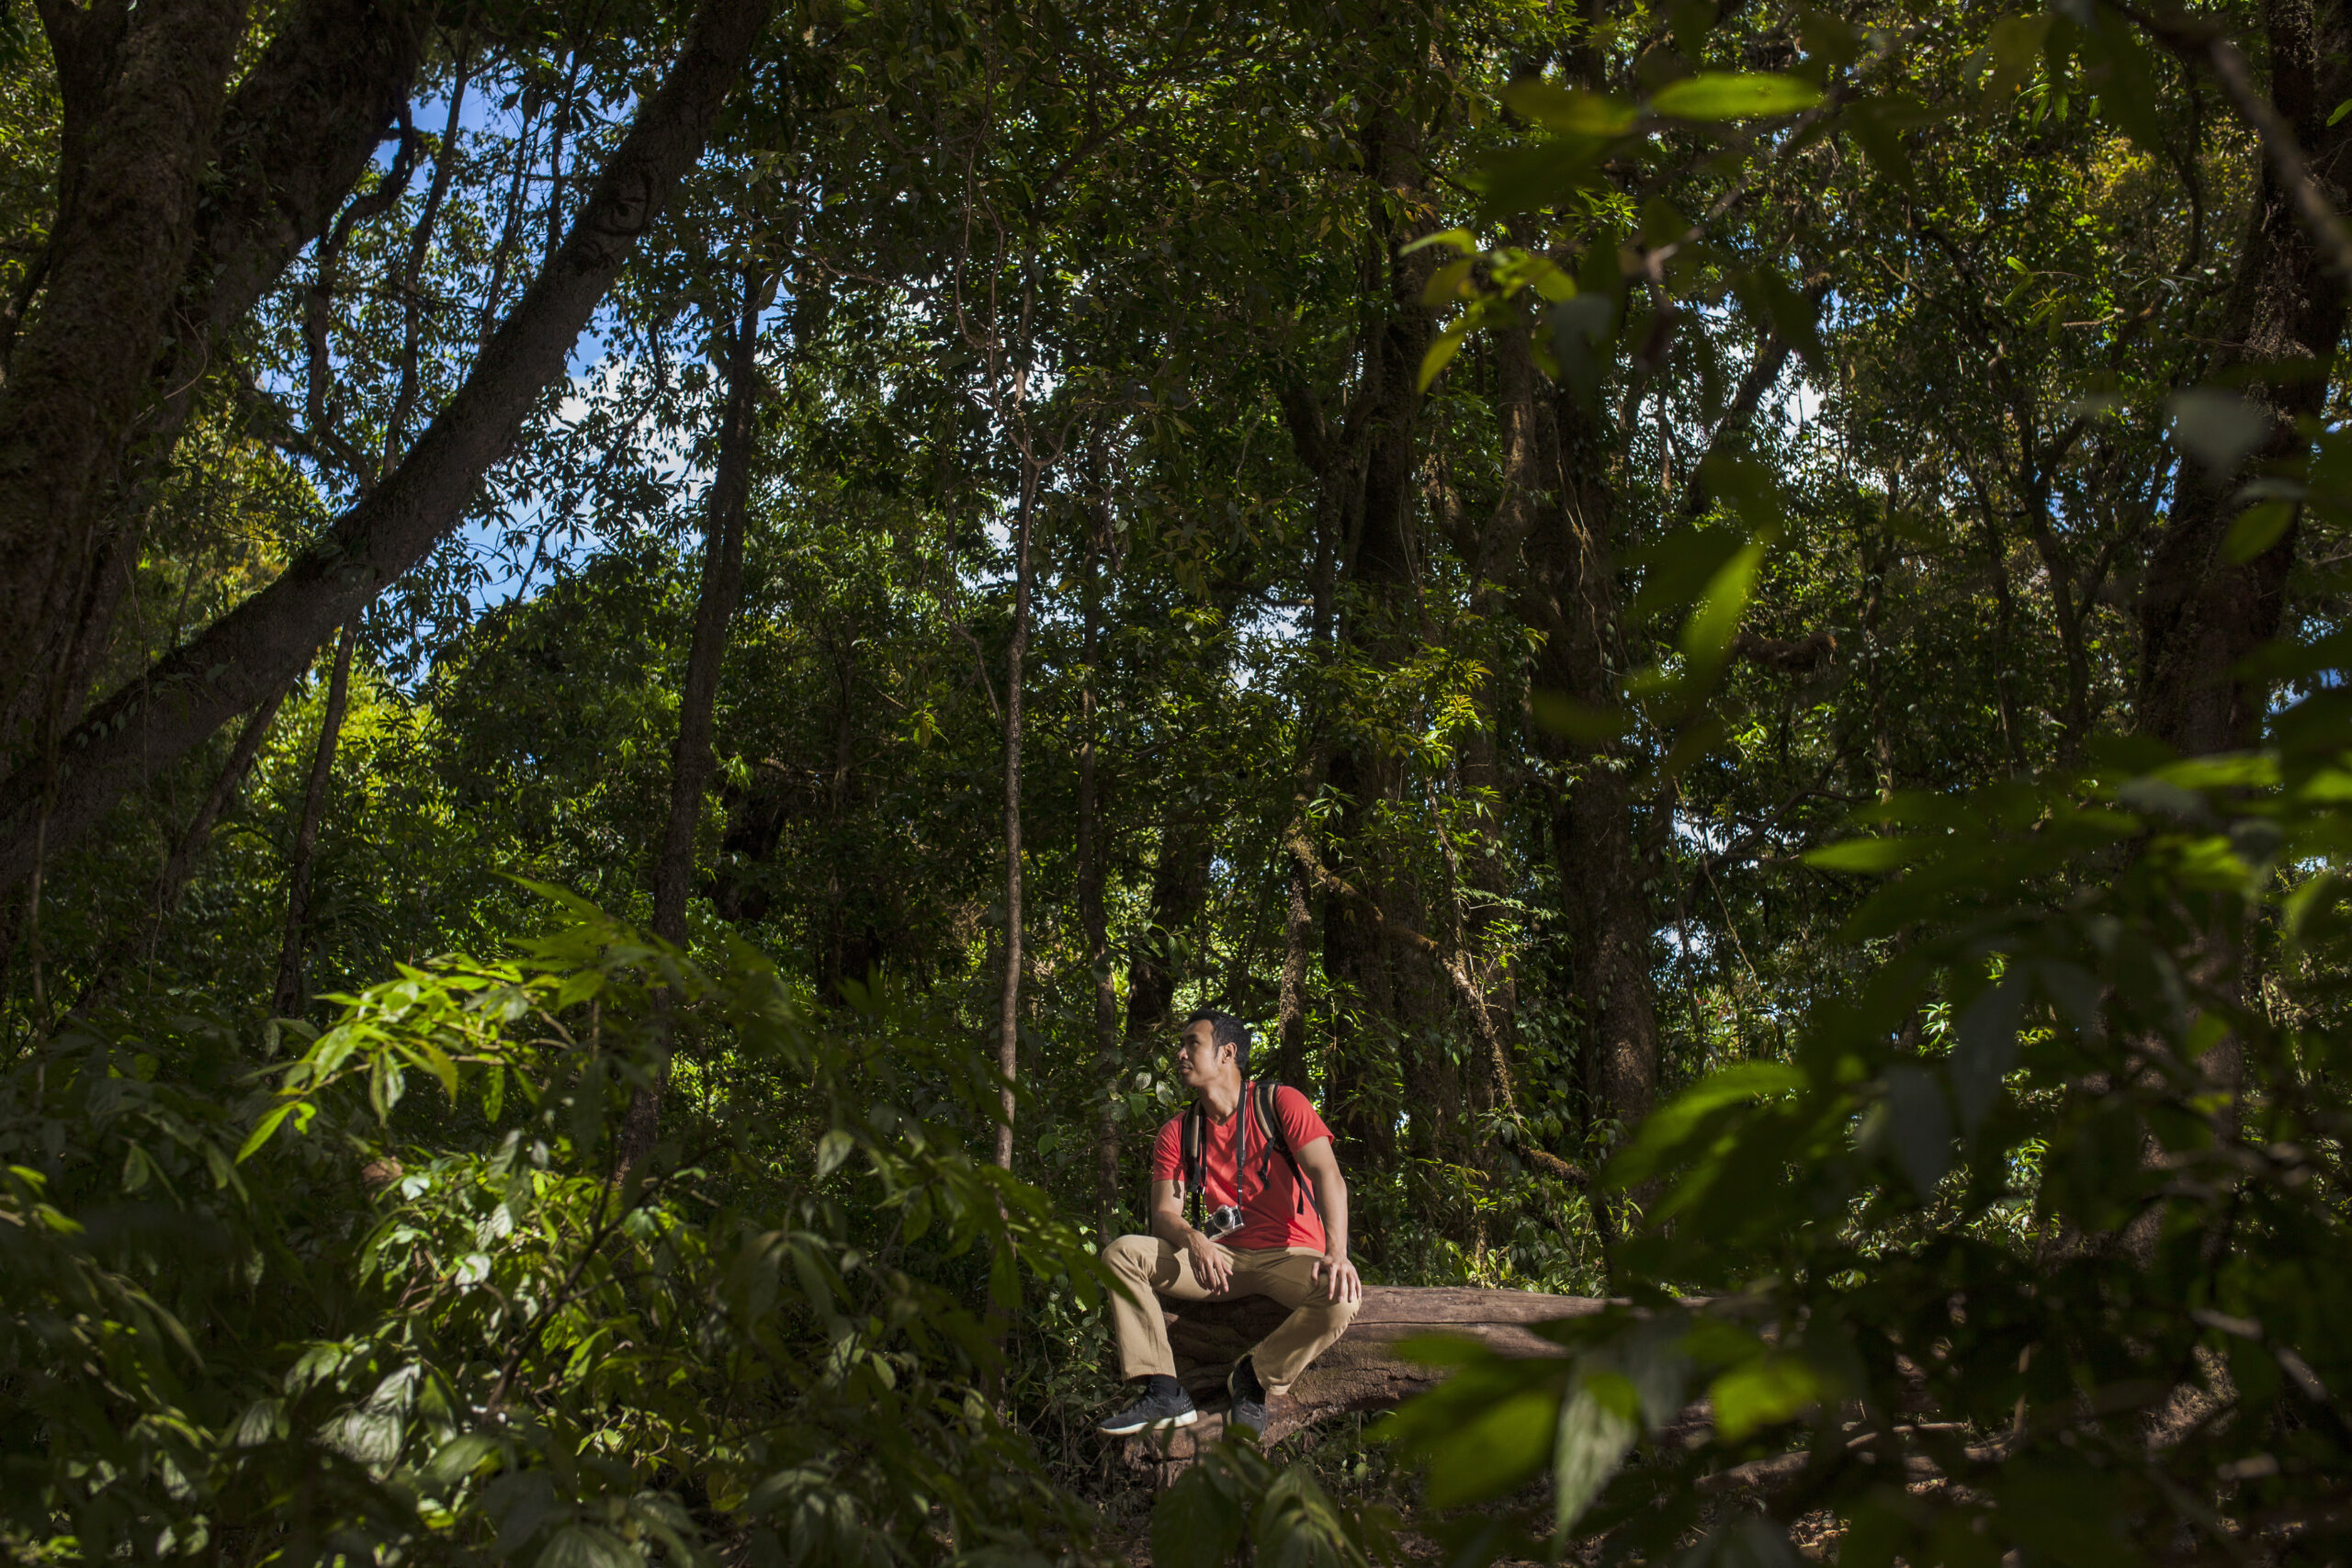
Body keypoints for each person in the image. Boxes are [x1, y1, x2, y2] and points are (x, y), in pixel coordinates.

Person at [1095, 1009, 1362, 1439]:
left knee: (1341, 1300)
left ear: (1227, 1053)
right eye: (1180, 1046)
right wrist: (1194, 1240)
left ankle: (1254, 1378)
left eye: (1192, 1044)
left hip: (1291, 1253)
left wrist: (1337, 1254)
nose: (1180, 1054)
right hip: (1220, 1259)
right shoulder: (1178, 1132)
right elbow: (1165, 1213)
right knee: (1121, 1253)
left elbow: (1328, 1175)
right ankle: (1164, 1390)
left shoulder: (1279, 1103)